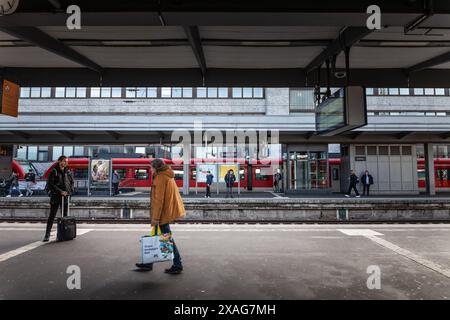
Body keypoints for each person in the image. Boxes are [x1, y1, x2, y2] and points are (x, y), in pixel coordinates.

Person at [136, 158, 185, 274]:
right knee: (159, 237)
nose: (150, 169)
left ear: (156, 167)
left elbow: (159, 200)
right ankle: (148, 263)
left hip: (162, 214)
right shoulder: (166, 174)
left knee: (167, 239)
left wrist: (155, 218)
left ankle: (177, 264)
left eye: (151, 167)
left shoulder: (160, 178)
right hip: (165, 212)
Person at [43, 155, 74, 242]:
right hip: (56, 196)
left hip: (66, 196)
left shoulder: (68, 171)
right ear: (59, 161)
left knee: (64, 216)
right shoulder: (54, 171)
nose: (66, 163)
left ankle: (62, 234)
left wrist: (70, 191)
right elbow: (50, 184)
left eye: (66, 161)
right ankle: (47, 234)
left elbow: (72, 182)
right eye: (64, 161)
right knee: (52, 216)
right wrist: (60, 191)